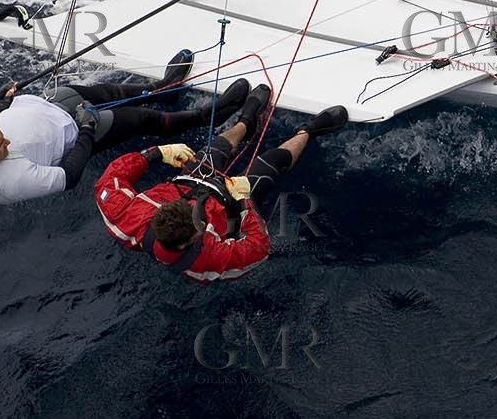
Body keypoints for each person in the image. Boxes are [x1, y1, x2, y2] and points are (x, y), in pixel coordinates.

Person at [94, 83, 348, 282]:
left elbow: (110, 178)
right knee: (268, 163)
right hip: (230, 205)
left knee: (216, 148)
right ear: (188, 242)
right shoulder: (209, 258)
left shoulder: (129, 216)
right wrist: (244, 202)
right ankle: (308, 131)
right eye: (200, 224)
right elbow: (258, 249)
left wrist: (156, 153)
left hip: (188, 183)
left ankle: (245, 123)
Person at [0, 49, 254, 205]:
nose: (5, 141)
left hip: (48, 102)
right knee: (144, 120)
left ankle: (164, 89)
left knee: (109, 92)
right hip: (77, 129)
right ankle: (210, 114)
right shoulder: (9, 184)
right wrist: (87, 130)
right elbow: (70, 177)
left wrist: (2, 104)